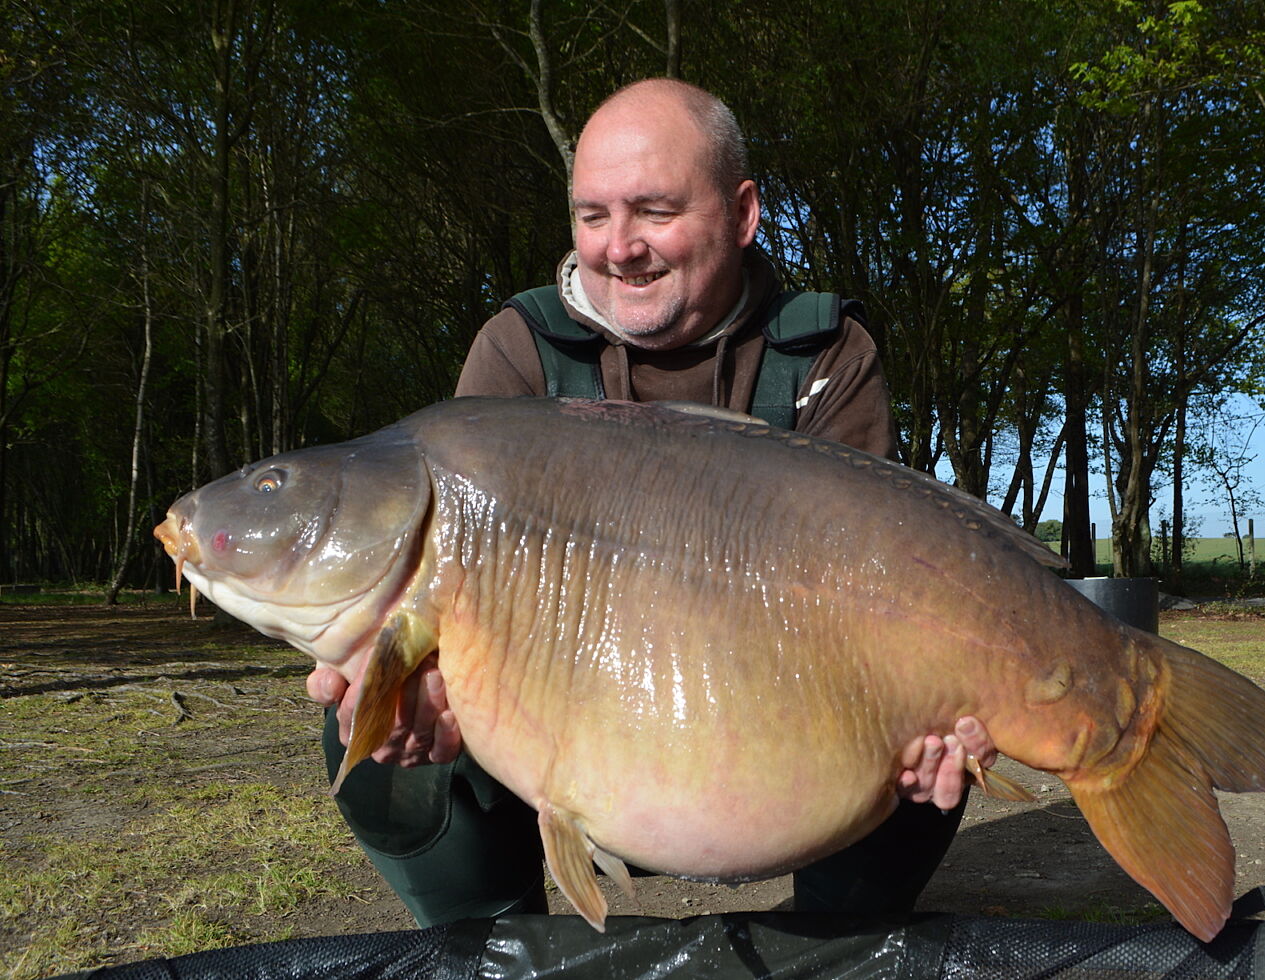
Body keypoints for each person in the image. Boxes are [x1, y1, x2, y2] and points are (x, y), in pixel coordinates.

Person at [305, 78, 995, 927]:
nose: (618, 247)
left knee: (933, 722)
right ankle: (486, 944)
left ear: (742, 214)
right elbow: (458, 600)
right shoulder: (520, 352)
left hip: (776, 723)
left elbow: (878, 591)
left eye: (653, 211)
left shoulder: (823, 352)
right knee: (368, 722)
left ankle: (834, 939)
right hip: (566, 711)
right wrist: (421, 698)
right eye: (592, 216)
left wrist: (931, 703)